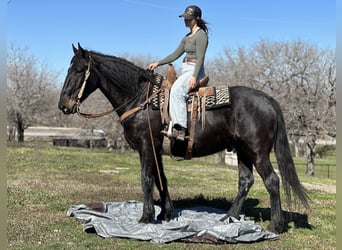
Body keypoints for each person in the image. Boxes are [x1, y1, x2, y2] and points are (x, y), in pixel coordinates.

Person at [149, 5, 209, 141]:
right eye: (185, 18)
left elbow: (200, 58)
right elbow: (175, 54)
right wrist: (158, 63)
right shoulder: (187, 37)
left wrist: (194, 76)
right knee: (170, 89)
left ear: (196, 19)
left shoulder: (201, 35)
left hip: (195, 69)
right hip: (185, 69)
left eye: (188, 19)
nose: (185, 21)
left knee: (177, 91)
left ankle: (181, 129)